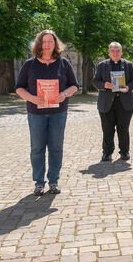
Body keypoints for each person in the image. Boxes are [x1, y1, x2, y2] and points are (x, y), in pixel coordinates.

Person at [15, 30, 79, 196]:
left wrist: (64, 94)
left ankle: (53, 181)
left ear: (55, 44)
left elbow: (74, 86)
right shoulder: (30, 64)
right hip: (36, 112)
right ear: (39, 44)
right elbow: (19, 87)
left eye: (51, 41)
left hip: (58, 112)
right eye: (44, 41)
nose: (48, 44)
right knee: (37, 148)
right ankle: (38, 183)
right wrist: (31, 98)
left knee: (56, 147)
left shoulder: (63, 63)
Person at [92, 42, 133, 162]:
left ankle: (124, 151)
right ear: (109, 52)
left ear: (121, 52)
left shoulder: (128, 65)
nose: (115, 53)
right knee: (107, 128)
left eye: (118, 50)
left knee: (123, 128)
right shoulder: (102, 65)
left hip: (125, 102)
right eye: (113, 50)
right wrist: (104, 85)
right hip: (106, 102)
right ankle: (107, 152)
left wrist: (128, 87)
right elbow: (95, 81)